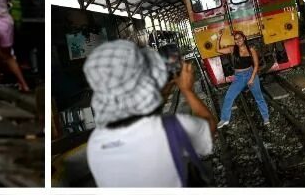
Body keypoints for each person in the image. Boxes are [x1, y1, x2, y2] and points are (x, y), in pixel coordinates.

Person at [83, 40, 217, 187]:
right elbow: (209, 124)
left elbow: (142, 112)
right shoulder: (174, 129)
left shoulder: (95, 144)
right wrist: (187, 90)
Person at [213, 29, 270, 128]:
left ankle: (266, 118)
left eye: (239, 38)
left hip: (251, 74)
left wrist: (252, 79)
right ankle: (224, 119)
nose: (238, 40)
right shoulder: (232, 49)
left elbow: (256, 65)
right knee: (229, 97)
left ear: (244, 38)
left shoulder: (251, 49)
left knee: (259, 97)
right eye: (235, 39)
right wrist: (218, 38)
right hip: (239, 77)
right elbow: (218, 50)